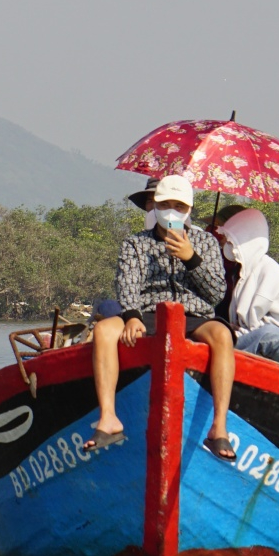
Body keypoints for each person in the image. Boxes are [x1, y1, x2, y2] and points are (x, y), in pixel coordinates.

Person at [88, 174, 239, 460]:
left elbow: (217, 293)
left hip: (194, 314)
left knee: (222, 335)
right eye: (165, 204)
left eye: (179, 206)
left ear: (189, 210)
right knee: (105, 330)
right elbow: (128, 284)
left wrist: (191, 258)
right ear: (154, 206)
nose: (172, 211)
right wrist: (132, 316)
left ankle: (218, 428)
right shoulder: (136, 244)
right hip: (148, 313)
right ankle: (108, 418)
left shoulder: (205, 242)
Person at [216, 208, 279, 373]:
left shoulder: (267, 269)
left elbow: (254, 326)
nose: (224, 242)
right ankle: (222, 355)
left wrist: (227, 338)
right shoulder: (242, 272)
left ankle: (222, 362)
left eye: (229, 239)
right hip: (256, 339)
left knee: (267, 335)